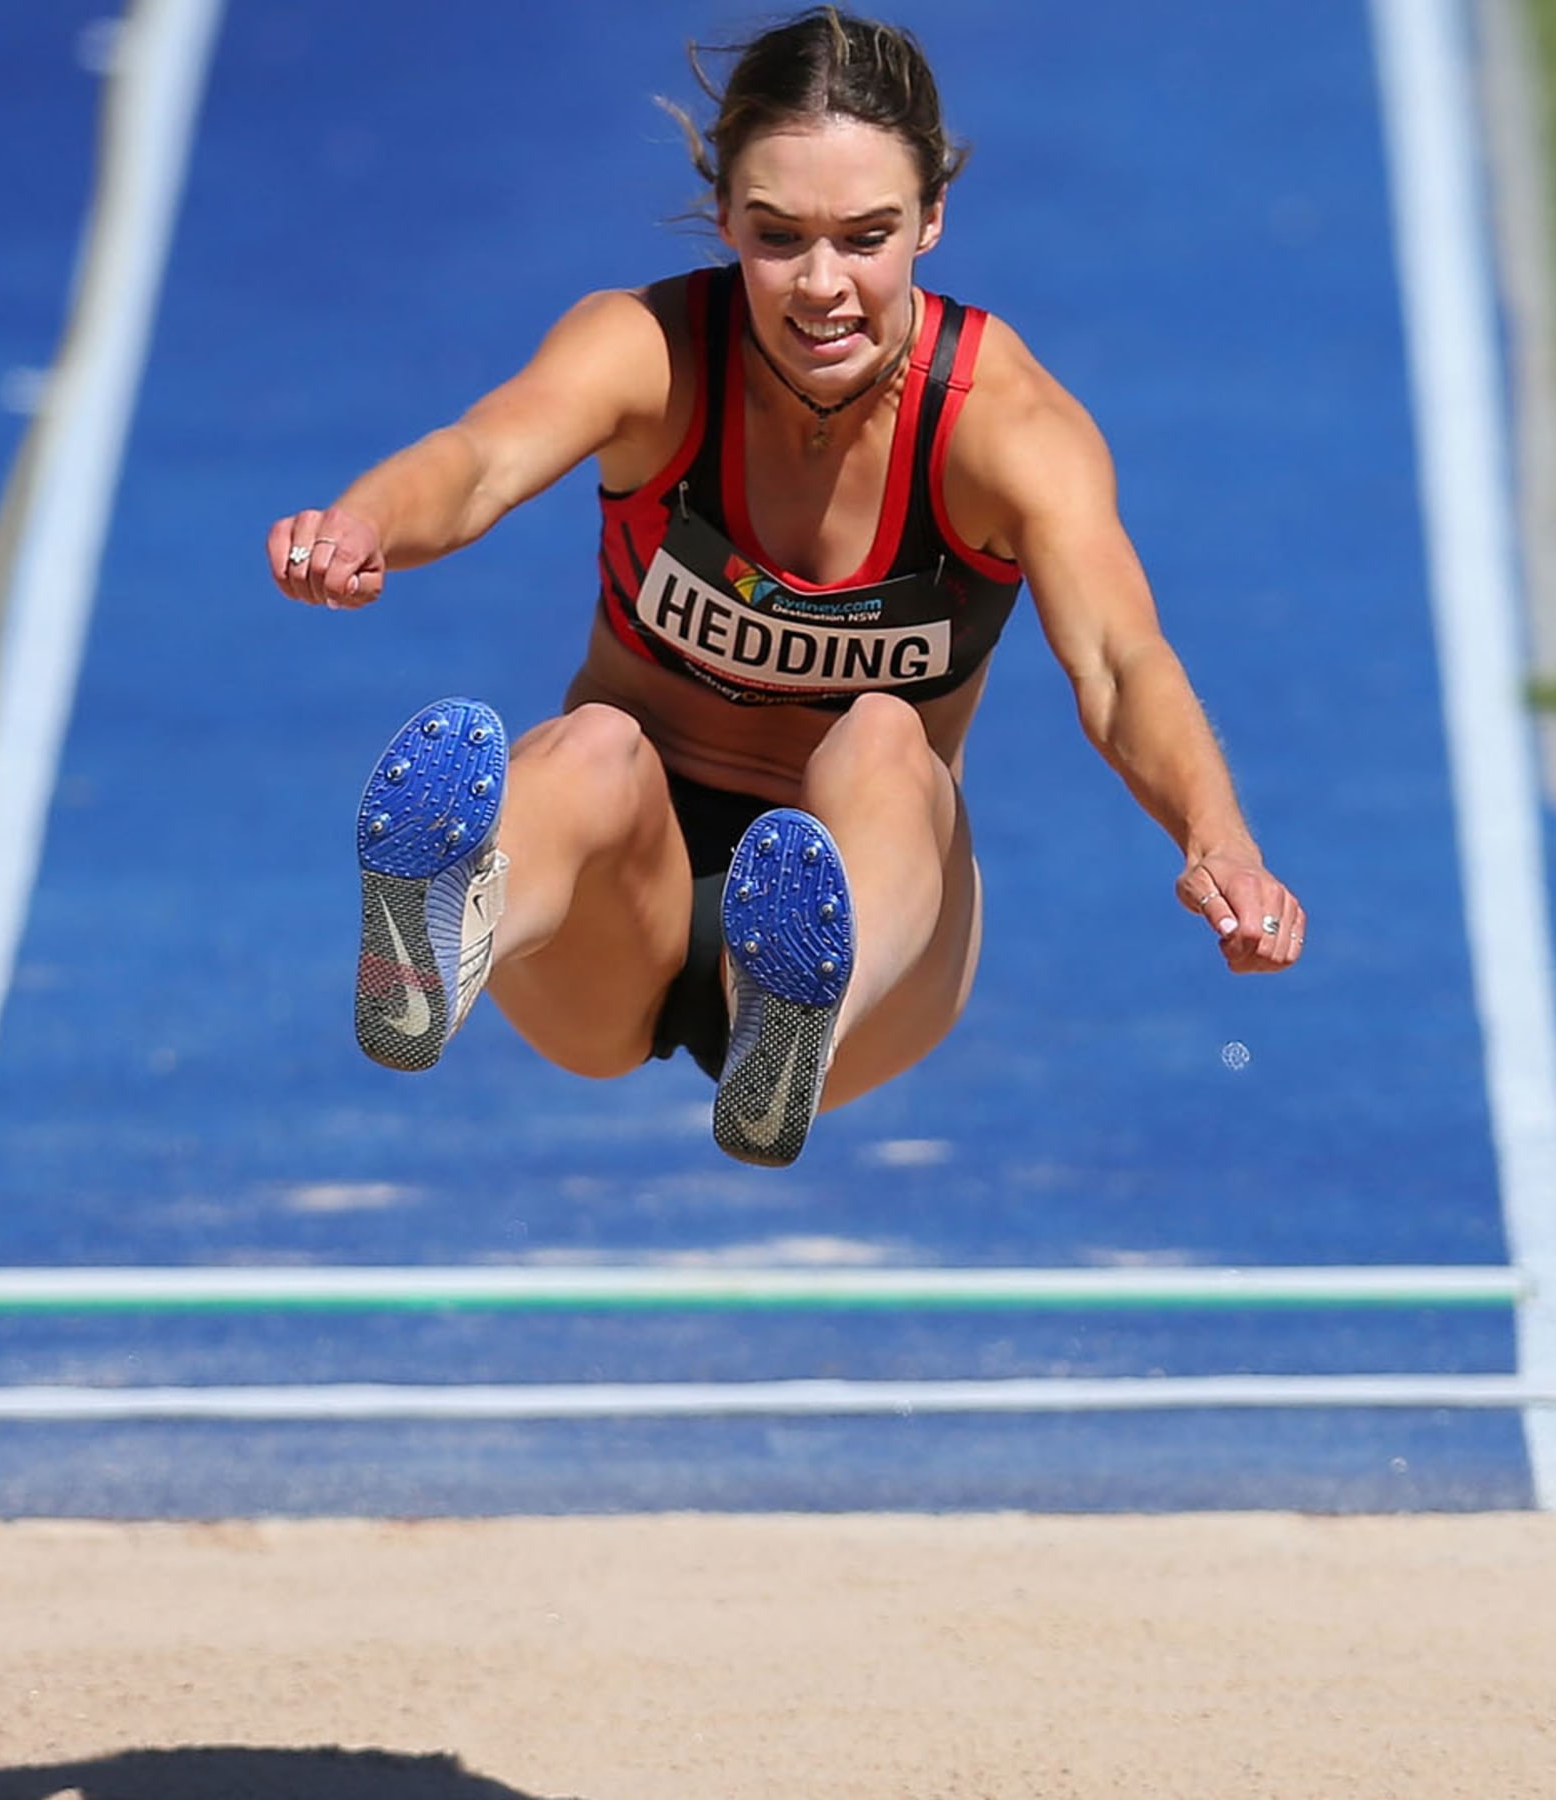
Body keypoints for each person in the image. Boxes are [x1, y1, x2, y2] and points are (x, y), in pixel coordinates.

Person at [267, 7, 1303, 1169]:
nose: (822, 288)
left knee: (880, 741)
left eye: (865, 237)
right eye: (777, 237)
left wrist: (1217, 839)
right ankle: (446, 928)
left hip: (874, 922)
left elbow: (1118, 660)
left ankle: (795, 1012)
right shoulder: (650, 353)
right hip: (621, 911)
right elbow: (479, 458)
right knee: (597, 744)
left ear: (930, 222)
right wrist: (363, 525)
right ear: (723, 220)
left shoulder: (1004, 428)